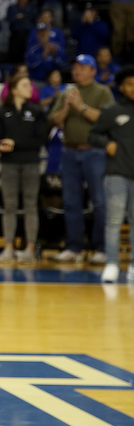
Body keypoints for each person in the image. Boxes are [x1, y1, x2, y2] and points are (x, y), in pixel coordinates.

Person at [49, 55, 113, 264]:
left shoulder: (102, 92)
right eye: (75, 67)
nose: (77, 71)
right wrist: (67, 106)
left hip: (94, 152)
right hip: (69, 152)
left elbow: (107, 120)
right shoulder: (67, 92)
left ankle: (102, 248)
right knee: (71, 202)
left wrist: (81, 106)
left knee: (100, 201)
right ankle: (74, 247)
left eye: (82, 68)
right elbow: (54, 120)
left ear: (93, 71)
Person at [0, 73, 47, 263]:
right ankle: (8, 247)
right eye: (25, 85)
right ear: (14, 89)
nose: (29, 88)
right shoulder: (2, 112)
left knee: (30, 205)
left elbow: (40, 139)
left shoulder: (36, 111)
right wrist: (1, 145)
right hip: (9, 163)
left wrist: (14, 143)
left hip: (31, 162)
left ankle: (30, 248)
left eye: (30, 85)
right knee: (9, 206)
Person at [89, 66, 134, 283]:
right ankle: (112, 264)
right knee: (114, 221)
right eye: (129, 84)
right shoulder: (112, 111)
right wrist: (106, 144)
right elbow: (93, 135)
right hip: (116, 173)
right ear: (121, 87)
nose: (133, 88)